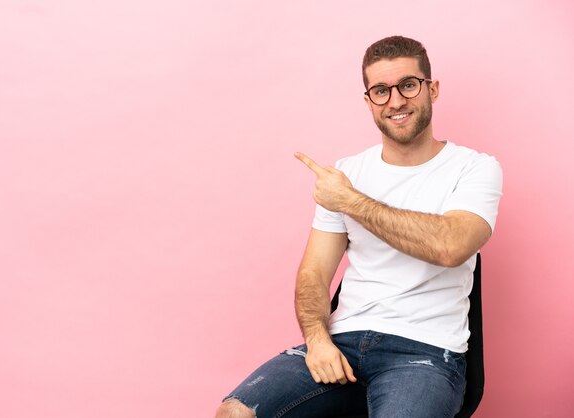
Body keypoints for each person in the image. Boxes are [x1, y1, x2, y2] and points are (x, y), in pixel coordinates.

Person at [215, 35, 503, 418]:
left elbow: (451, 247)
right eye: (380, 91)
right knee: (235, 413)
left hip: (425, 352)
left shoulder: (474, 168)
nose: (396, 101)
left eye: (408, 85)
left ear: (431, 89)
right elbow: (314, 273)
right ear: (368, 101)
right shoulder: (349, 171)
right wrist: (317, 341)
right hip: (344, 341)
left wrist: (351, 201)